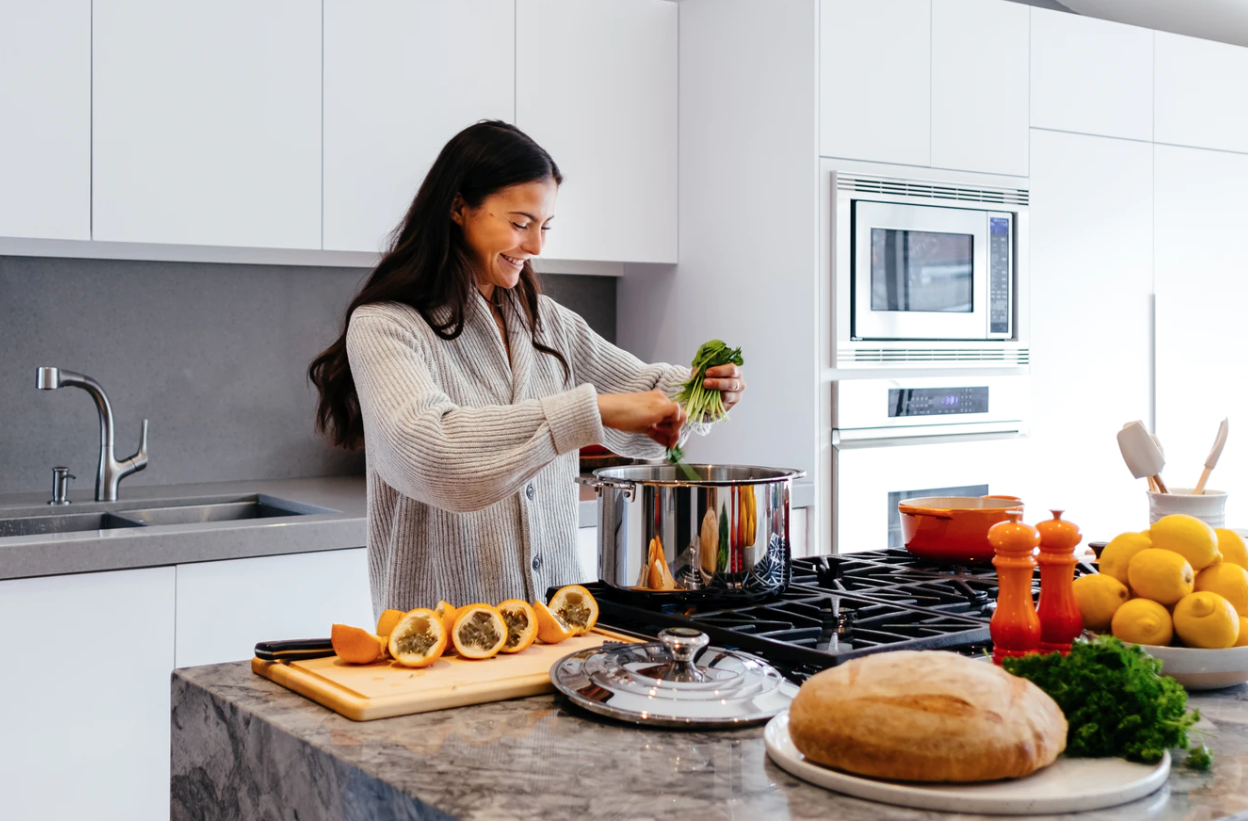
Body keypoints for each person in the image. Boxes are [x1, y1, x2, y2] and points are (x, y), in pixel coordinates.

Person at [309, 121, 745, 615]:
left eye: (545, 226)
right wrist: (588, 412)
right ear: (457, 208)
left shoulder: (547, 322)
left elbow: (643, 391)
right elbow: (434, 453)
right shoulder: (387, 326)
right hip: (441, 639)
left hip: (559, 627)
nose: (537, 246)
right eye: (520, 223)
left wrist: (701, 392)